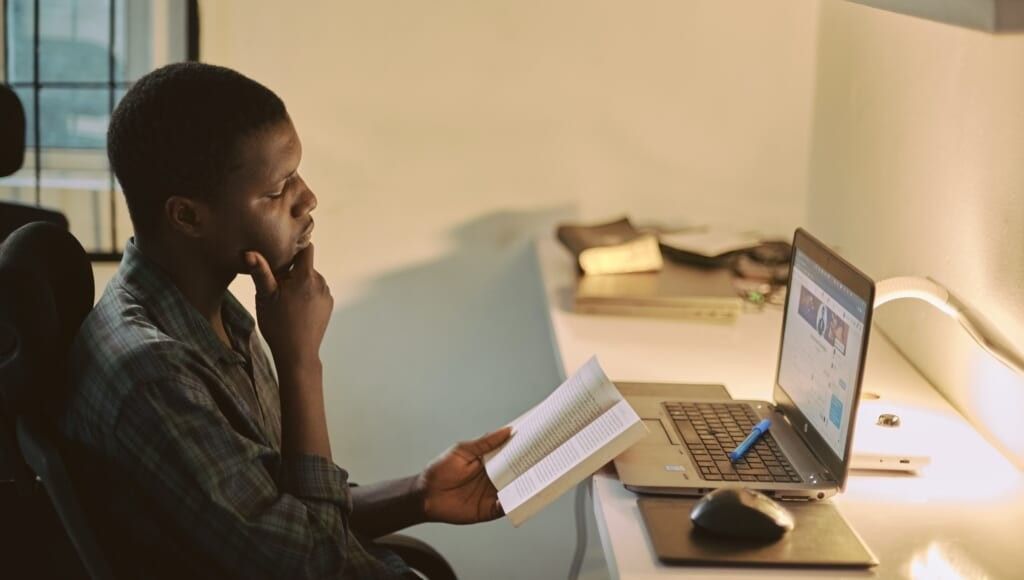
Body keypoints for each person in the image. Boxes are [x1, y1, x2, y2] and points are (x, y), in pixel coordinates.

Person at [59, 62, 511, 579]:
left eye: (296, 174)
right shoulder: (153, 376)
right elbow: (316, 564)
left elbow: (282, 508)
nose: (307, 199)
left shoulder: (216, 310)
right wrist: (300, 362)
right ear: (187, 217)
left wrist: (420, 494)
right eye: (277, 191)